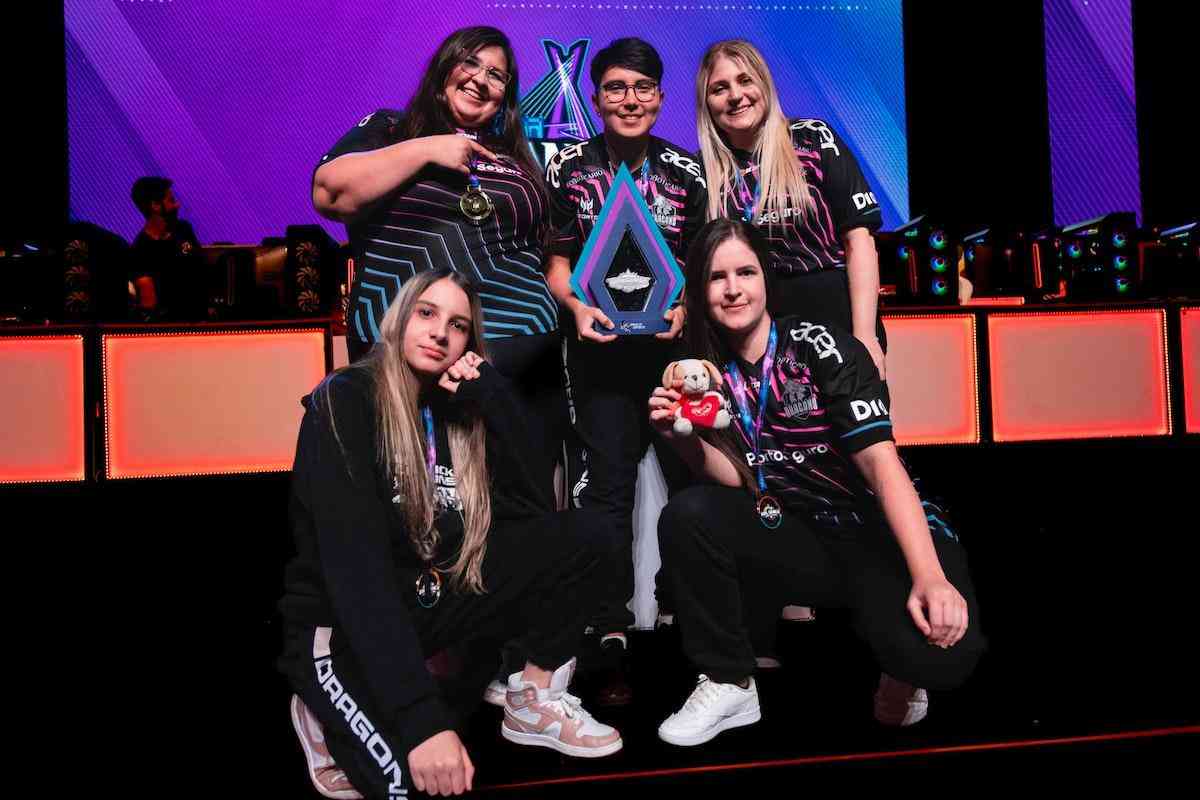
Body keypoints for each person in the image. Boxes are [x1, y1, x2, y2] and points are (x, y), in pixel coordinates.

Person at [278, 269, 622, 799]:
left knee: (589, 534)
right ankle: (321, 708)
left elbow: (534, 514)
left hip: (427, 607)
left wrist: (494, 397)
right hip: (341, 630)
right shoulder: (345, 400)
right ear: (399, 319)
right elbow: (357, 575)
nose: (440, 332)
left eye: (458, 325)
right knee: (408, 784)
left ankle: (531, 699)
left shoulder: (457, 410)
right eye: (427, 313)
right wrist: (423, 722)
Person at [648, 219, 985, 746]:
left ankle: (899, 663)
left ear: (766, 278)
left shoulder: (820, 347)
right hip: (801, 534)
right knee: (688, 514)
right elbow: (739, 474)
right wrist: (678, 437)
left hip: (876, 535)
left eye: (745, 272)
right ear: (700, 289)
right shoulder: (707, 372)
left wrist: (929, 577)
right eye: (716, 277)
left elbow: (883, 467)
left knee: (943, 659)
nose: (733, 289)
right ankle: (729, 680)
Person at [312, 26, 562, 502]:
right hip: (406, 356)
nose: (481, 79)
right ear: (444, 69)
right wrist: (429, 149)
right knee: (406, 502)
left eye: (497, 75)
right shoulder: (392, 129)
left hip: (516, 369)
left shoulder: (519, 158)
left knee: (517, 510)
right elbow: (330, 193)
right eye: (471, 63)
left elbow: (544, 256)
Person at [541, 37, 707, 704]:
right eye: (615, 87)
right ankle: (607, 631)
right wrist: (577, 307)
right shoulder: (569, 171)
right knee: (608, 493)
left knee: (691, 486)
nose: (629, 100)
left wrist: (686, 309)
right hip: (600, 361)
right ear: (597, 97)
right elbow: (557, 263)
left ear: (660, 98)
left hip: (674, 362)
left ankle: (686, 618)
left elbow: (704, 266)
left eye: (642, 88)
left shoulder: (688, 175)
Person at [694, 40, 887, 377]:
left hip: (837, 317)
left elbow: (859, 241)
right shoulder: (701, 173)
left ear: (764, 84)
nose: (735, 95)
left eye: (745, 80)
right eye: (719, 89)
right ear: (707, 103)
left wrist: (865, 337)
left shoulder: (814, 140)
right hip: (751, 333)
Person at [129, 176, 206, 320]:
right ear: (155, 206)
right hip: (172, 326)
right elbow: (149, 306)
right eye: (171, 201)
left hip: (203, 322)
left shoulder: (184, 229)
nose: (177, 205)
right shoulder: (140, 251)